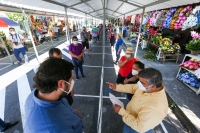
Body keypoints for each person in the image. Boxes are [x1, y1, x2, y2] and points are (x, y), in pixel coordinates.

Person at [24, 58, 83, 132]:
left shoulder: (35, 95)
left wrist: (71, 112)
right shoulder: (56, 129)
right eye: (71, 80)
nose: (72, 83)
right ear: (61, 83)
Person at [106, 68, 168, 133]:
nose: (138, 84)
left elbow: (140, 127)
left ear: (153, 87)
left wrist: (121, 111)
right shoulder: (147, 87)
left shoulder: (156, 107)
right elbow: (133, 87)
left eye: (142, 83)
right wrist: (116, 87)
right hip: (130, 120)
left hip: (136, 130)